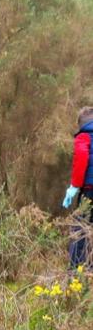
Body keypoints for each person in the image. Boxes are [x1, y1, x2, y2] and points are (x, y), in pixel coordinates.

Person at [64, 106, 93, 268]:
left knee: (80, 228)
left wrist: (74, 186)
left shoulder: (84, 137)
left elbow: (81, 159)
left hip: (89, 190)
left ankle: (76, 268)